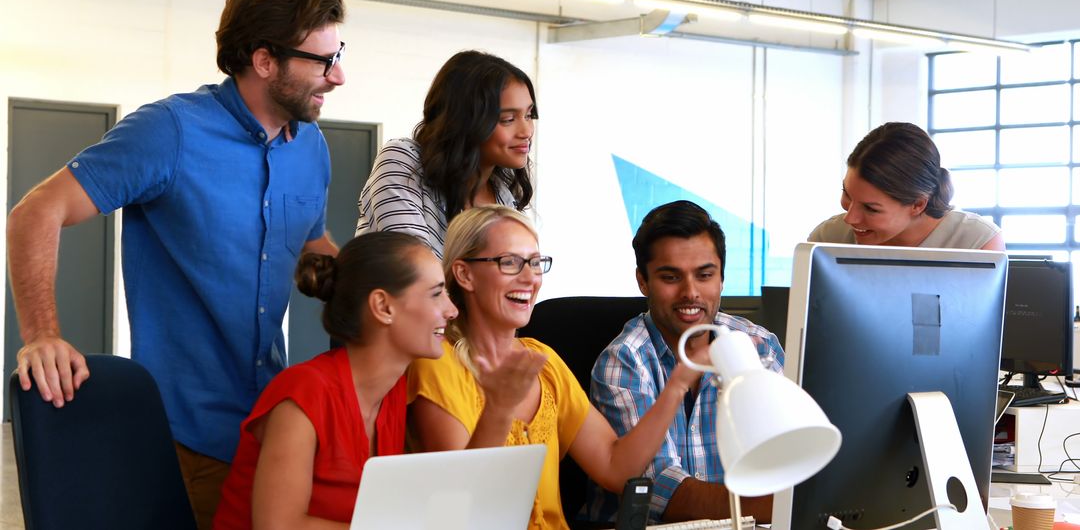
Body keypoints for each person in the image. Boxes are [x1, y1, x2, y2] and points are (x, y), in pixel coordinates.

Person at [6, 0, 345, 527]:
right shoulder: (171, 131)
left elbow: (310, 245)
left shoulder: (310, 145)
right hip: (187, 435)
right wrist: (42, 334)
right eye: (322, 61)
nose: (338, 77)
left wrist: (389, 283)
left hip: (273, 420)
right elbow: (35, 213)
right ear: (264, 61)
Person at [407, 204, 707, 530]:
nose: (529, 278)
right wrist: (500, 409)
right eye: (510, 263)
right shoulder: (436, 364)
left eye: (535, 263)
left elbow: (615, 468)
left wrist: (676, 386)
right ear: (464, 274)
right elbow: (460, 513)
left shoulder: (543, 361)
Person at [214, 232, 458, 529]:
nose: (452, 310)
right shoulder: (304, 394)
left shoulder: (393, 392)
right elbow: (278, 525)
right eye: (436, 294)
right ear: (383, 307)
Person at [586, 200, 786, 525]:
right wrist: (789, 503)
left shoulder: (759, 345)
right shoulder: (624, 361)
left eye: (704, 275)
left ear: (721, 278)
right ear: (642, 281)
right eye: (671, 277)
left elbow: (788, 456)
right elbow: (663, 495)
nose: (690, 292)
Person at [354, 50, 536, 257]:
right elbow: (414, 271)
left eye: (529, 115)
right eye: (508, 119)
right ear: (465, 120)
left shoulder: (504, 194)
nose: (527, 131)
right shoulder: (404, 161)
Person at [808, 122, 1005, 250]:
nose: (850, 218)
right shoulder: (826, 239)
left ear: (918, 204)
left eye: (870, 208)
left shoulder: (977, 242)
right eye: (847, 194)